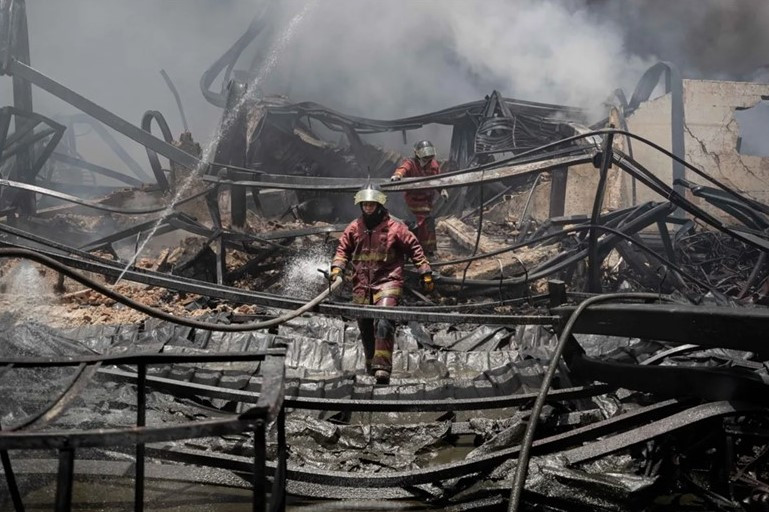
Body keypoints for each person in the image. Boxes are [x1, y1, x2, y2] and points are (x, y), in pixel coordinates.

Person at [329, 183, 434, 384]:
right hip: (361, 285)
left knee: (384, 321)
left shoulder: (395, 227)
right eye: (365, 204)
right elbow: (342, 250)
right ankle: (371, 365)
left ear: (379, 205)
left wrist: (425, 272)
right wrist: (337, 268)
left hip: (388, 281)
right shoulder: (354, 227)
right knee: (365, 327)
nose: (368, 208)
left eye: (371, 204)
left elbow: (414, 248)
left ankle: (382, 368)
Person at [390, 140, 449, 256]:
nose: (427, 159)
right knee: (418, 224)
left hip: (427, 201)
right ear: (417, 154)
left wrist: (442, 190)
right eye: (425, 157)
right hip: (413, 201)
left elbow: (438, 179)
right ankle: (415, 249)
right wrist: (397, 175)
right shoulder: (411, 163)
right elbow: (403, 169)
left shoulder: (433, 165)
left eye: (429, 157)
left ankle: (428, 249)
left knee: (428, 223)